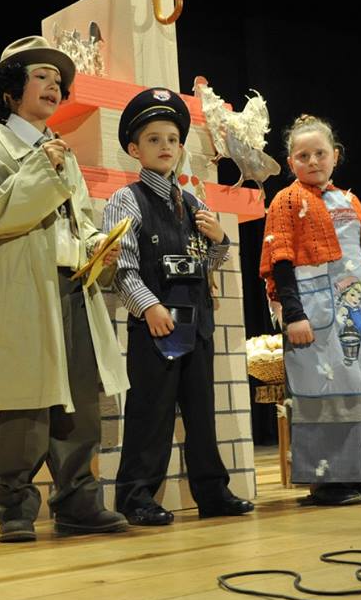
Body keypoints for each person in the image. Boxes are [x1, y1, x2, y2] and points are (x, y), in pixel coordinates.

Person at [0, 36, 130, 542]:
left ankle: (76, 501)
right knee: (25, 400)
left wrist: (100, 245)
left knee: (79, 399)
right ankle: (14, 504)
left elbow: (78, 219)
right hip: (22, 289)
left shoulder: (59, 151)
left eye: (58, 80)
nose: (53, 86)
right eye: (40, 77)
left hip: (71, 284)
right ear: (12, 92)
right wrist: (41, 167)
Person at [102, 87, 254, 526]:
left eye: (171, 139)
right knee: (151, 414)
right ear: (134, 149)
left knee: (202, 413)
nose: (165, 146)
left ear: (181, 147)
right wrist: (148, 308)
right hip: (156, 324)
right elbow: (122, 268)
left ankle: (213, 492)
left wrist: (220, 241)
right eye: (153, 139)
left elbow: (206, 264)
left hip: (197, 322)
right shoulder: (125, 200)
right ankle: (135, 496)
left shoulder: (193, 203)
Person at [259, 114, 361, 506]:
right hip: (315, 313)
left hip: (358, 310)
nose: (313, 161)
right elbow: (280, 261)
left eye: (320, 153)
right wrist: (293, 315)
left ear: (335, 156)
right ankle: (330, 482)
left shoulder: (350, 201)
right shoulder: (286, 200)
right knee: (325, 394)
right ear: (291, 163)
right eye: (303, 155)